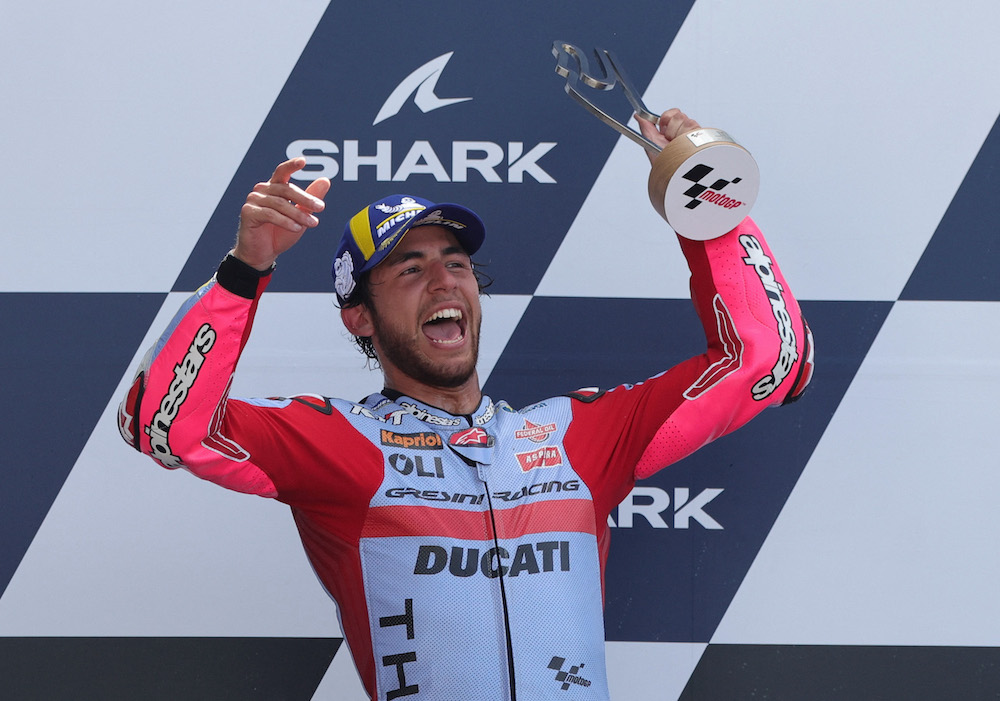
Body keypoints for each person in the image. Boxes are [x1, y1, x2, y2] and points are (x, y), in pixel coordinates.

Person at [118, 108, 813, 701]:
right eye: (410, 268)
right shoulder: (338, 444)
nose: (444, 280)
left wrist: (707, 203)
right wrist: (246, 270)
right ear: (359, 317)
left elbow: (769, 362)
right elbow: (161, 423)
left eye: (456, 263)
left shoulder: (577, 433)